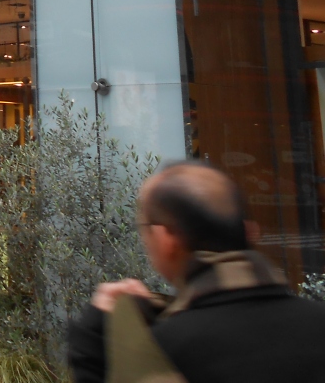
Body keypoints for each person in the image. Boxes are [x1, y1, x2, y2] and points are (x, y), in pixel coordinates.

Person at [67, 161, 325, 382]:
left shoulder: (159, 354)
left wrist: (90, 347)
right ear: (251, 231)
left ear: (166, 240)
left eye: (144, 227)